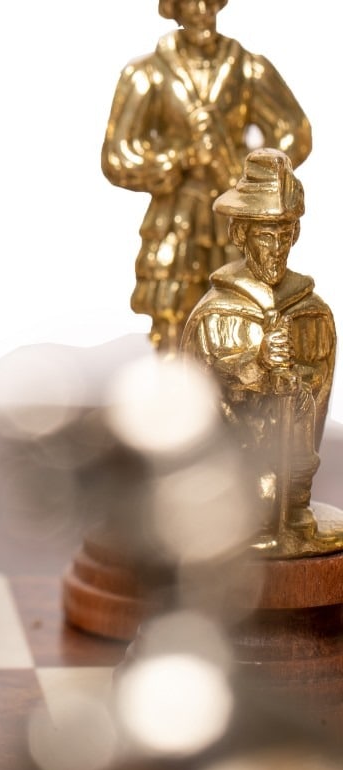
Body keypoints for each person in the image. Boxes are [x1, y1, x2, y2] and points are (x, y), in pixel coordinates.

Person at [103, 0, 311, 354]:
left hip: (235, 216)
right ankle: (172, 380)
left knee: (244, 311)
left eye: (209, 0)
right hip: (177, 216)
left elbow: (294, 132)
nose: (201, 8)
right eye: (190, 1)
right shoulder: (149, 74)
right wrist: (181, 157)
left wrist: (253, 175)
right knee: (171, 311)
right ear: (174, 7)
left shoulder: (247, 69)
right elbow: (118, 155)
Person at [181, 148, 337, 556]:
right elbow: (202, 389)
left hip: (291, 456)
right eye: (267, 236)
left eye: (286, 234)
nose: (278, 248)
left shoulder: (311, 311)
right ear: (240, 235)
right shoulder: (217, 315)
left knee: (289, 487)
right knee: (256, 496)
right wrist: (258, 365)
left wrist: (297, 385)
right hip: (235, 458)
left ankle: (293, 508)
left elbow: (319, 389)